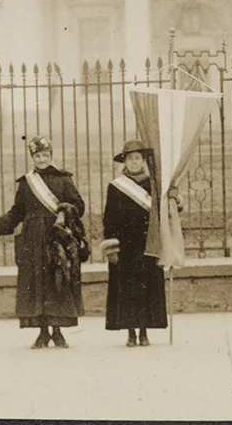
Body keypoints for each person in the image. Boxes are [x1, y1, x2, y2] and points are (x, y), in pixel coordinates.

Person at [0, 135, 87, 348]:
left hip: (57, 236)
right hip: (32, 239)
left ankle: (58, 331)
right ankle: (43, 332)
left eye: (45, 155)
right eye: (37, 156)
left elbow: (79, 205)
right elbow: (17, 212)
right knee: (37, 283)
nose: (42, 159)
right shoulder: (26, 183)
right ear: (32, 158)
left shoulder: (63, 179)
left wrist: (65, 210)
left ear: (51, 156)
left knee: (58, 280)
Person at [102, 139, 167, 346]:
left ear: (143, 161)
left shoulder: (154, 185)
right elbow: (109, 218)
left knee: (147, 287)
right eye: (131, 159)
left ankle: (145, 331)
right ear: (125, 162)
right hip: (126, 246)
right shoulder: (115, 187)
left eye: (138, 158)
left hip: (148, 244)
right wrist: (112, 247)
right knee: (127, 288)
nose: (135, 162)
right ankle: (130, 331)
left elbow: (164, 213)